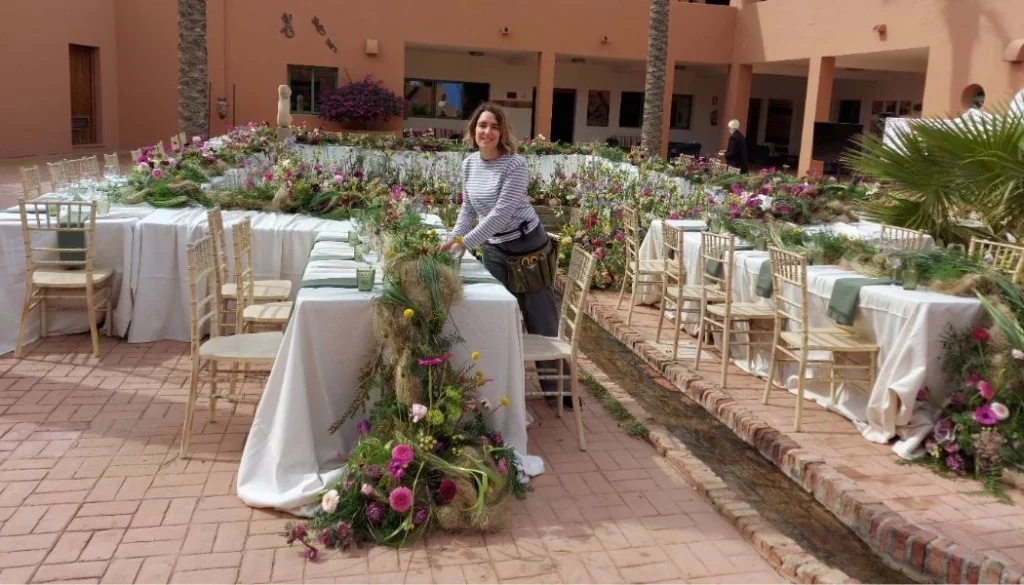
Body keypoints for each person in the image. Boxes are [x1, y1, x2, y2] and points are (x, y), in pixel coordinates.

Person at [439, 103, 573, 409]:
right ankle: (501, 385)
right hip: (495, 249)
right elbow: (468, 210)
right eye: (482, 125)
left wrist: (465, 242)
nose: (487, 132)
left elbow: (501, 214)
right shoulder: (470, 164)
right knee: (497, 313)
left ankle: (559, 392)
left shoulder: (514, 165)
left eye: (494, 126)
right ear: (473, 131)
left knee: (541, 321)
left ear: (502, 132)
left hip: (528, 249)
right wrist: (454, 237)